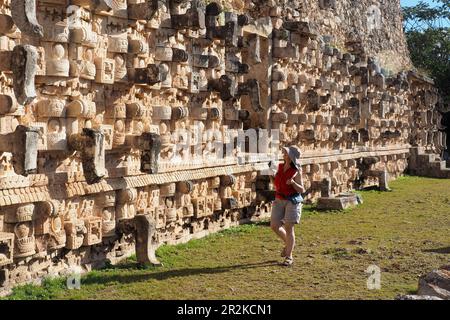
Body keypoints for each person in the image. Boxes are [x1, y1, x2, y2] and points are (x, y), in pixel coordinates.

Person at [270, 145, 305, 266]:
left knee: (289, 228)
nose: (283, 155)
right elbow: (276, 184)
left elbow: (301, 189)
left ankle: (289, 256)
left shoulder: (297, 171)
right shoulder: (280, 166)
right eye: (284, 153)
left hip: (292, 201)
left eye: (285, 153)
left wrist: (293, 183)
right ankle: (288, 244)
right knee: (274, 225)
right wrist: (271, 175)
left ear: (291, 157)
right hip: (279, 199)